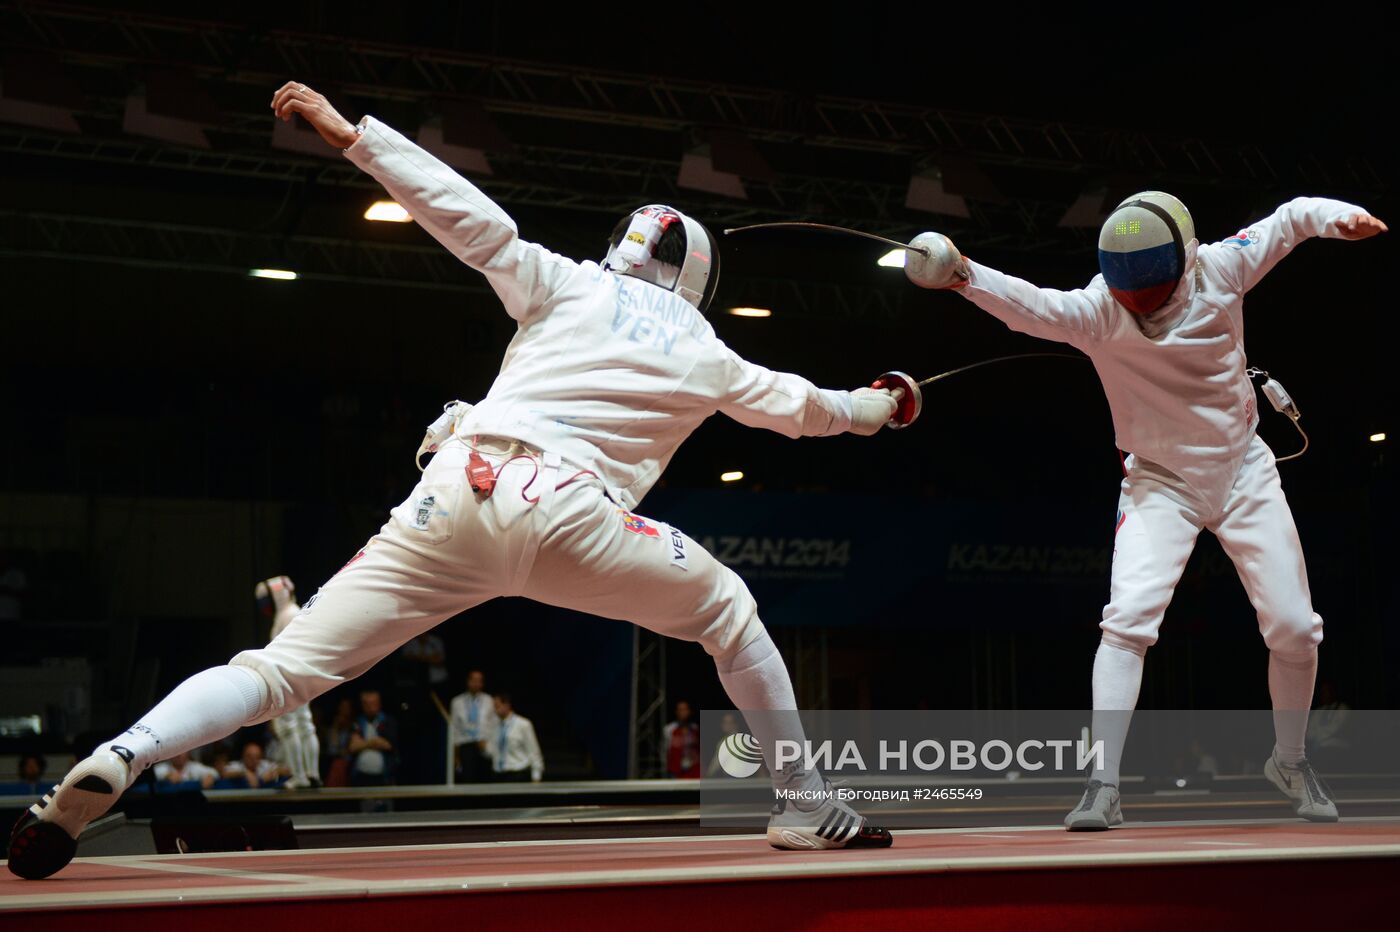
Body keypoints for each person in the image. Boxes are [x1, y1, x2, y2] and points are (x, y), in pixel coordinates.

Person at [5, 79, 898, 881]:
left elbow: (475, 225)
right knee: (728, 612)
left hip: (448, 497)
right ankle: (806, 804)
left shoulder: (566, 283)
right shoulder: (707, 349)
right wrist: (881, 405)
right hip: (566, 515)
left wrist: (358, 137)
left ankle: (126, 752)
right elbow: (808, 410)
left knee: (281, 672)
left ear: (622, 251)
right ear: (696, 281)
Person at [924, 191, 1386, 829]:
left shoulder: (1222, 267)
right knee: (1128, 621)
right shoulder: (1098, 310)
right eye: (1127, 291)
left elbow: (1288, 219)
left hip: (1243, 470)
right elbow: (1031, 307)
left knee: (1294, 627)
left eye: (1152, 289)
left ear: (1186, 260)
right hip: (1159, 480)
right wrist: (963, 275)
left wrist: (1339, 218)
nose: (1138, 305)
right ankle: (1103, 784)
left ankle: (1291, 759)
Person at [254, 577, 323, 789]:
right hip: (299, 674)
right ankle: (311, 774)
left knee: (289, 727)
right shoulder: (290, 613)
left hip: (287, 675)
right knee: (304, 726)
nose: (264, 605)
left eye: (267, 599)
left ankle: (301, 776)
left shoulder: (288, 615)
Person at [449, 670, 498, 783]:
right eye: (473, 680)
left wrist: (491, 745)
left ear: (482, 683)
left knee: (485, 779)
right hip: (466, 745)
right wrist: (455, 754)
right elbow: (454, 729)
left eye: (479, 681)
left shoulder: (489, 700)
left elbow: (495, 724)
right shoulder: (457, 702)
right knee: (468, 779)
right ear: (468, 681)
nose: (476, 683)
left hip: (484, 745)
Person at [486, 694, 543, 783]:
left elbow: (534, 752)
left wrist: (536, 776)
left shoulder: (523, 724)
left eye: (497, 706)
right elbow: (492, 751)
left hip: (517, 773)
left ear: (507, 705)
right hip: (498, 774)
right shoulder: (494, 726)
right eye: (494, 707)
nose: (495, 710)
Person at [348, 690, 398, 787]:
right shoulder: (357, 722)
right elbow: (352, 747)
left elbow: (388, 745)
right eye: (366, 704)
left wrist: (363, 743)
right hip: (360, 778)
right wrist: (374, 742)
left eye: (373, 703)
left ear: (379, 704)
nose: (370, 707)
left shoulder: (387, 721)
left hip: (383, 778)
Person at [662, 700, 702, 779]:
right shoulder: (669, 729)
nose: (683, 712)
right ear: (676, 712)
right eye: (681, 710)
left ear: (690, 711)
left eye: (685, 709)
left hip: (693, 770)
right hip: (675, 772)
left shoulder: (695, 729)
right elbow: (665, 751)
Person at [220, 741, 285, 789]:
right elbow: (224, 773)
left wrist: (274, 772)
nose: (253, 760)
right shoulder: (237, 765)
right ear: (243, 756)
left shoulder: (264, 764)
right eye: (250, 757)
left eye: (257, 757)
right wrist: (244, 773)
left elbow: (287, 770)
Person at [153, 751, 218, 789]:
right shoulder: (163, 767)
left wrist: (210, 776)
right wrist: (167, 775)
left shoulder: (194, 766)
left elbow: (214, 772)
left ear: (188, 752)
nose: (178, 755)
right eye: (175, 751)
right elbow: (155, 773)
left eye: (182, 751)